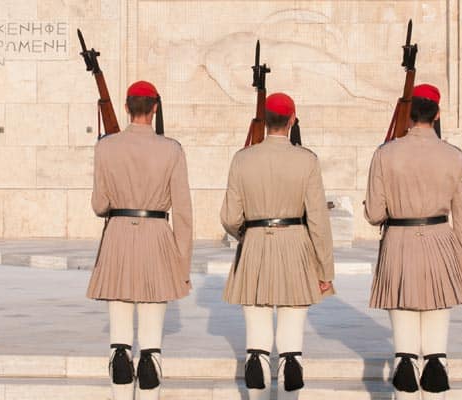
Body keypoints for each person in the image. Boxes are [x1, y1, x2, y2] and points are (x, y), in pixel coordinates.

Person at [364, 84, 462, 399]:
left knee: (404, 356)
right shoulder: (454, 156)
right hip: (441, 244)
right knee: (435, 358)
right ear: (437, 113)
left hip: (398, 245)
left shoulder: (385, 153)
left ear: (408, 114)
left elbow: (375, 214)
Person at [221, 93, 335, 400]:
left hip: (256, 242)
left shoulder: (242, 158)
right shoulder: (306, 160)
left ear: (264, 121)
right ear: (292, 120)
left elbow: (229, 217)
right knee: (291, 338)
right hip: (296, 246)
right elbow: (318, 221)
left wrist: (248, 235)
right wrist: (325, 268)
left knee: (256, 341)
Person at [86, 81, 193, 400]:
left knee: (119, 347)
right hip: (157, 239)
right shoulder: (172, 149)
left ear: (127, 107)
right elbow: (184, 212)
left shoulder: (105, 147)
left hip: (118, 237)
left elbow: (98, 205)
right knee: (151, 348)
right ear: (155, 108)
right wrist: (182, 262)